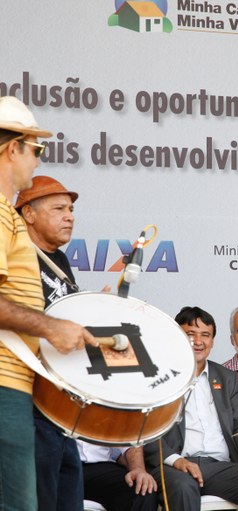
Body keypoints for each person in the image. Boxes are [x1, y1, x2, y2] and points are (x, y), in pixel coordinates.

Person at [0, 96, 95, 510]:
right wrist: (51, 327)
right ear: (11, 149)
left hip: (30, 388)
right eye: (34, 149)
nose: (37, 161)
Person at [15, 175, 87, 510]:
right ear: (28, 214)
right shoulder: (18, 256)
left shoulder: (60, 260)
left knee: (67, 498)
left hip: (59, 406)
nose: (70, 215)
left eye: (71, 209)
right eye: (59, 208)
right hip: (28, 401)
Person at [143, 306, 238, 511]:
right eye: (190, 334)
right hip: (175, 465)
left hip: (220, 466)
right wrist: (176, 461)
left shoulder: (226, 377)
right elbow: (146, 431)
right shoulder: (157, 377)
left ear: (212, 341)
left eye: (205, 335)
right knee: (184, 488)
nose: (198, 341)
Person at [78, 443, 157, 511]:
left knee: (142, 489)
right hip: (67, 463)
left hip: (102, 466)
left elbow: (130, 436)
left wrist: (138, 469)